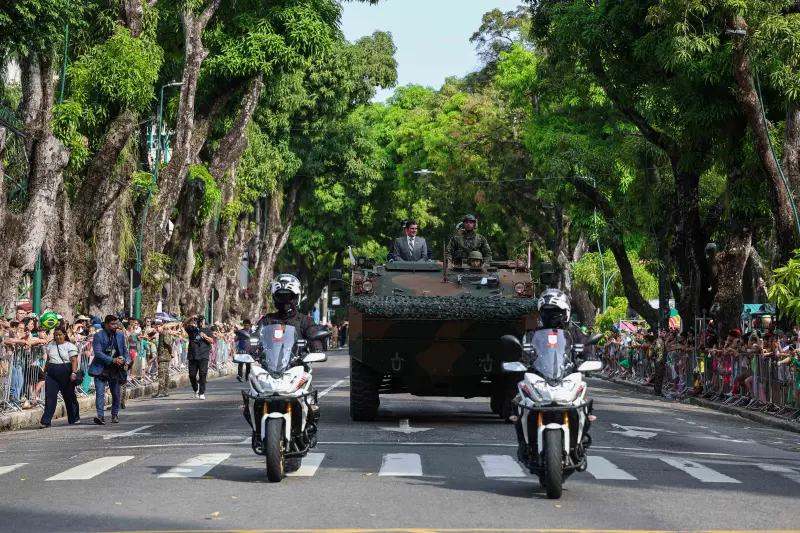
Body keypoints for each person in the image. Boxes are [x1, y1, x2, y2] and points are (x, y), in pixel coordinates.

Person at [257, 274, 324, 356]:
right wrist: (247, 350)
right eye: (280, 297)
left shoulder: (306, 321)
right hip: (269, 362)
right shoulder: (266, 320)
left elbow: (314, 338)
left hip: (297, 362)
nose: (284, 301)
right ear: (274, 298)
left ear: (296, 297)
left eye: (288, 297)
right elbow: (255, 336)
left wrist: (317, 349)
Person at [88, 315, 130, 425]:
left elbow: (124, 351)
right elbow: (98, 353)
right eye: (112, 324)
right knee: (100, 393)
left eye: (116, 324)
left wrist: (126, 360)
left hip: (115, 369)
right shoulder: (98, 336)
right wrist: (112, 360)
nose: (115, 326)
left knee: (116, 393)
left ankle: (114, 414)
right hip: (101, 368)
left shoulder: (120, 335)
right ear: (106, 325)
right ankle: (100, 416)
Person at [39, 328, 80, 428]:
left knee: (69, 396)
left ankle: (74, 417)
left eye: (60, 335)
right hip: (52, 373)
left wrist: (74, 373)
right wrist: (45, 371)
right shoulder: (51, 345)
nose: (58, 337)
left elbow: (74, 360)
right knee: (50, 397)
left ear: (64, 335)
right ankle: (46, 420)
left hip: (66, 373)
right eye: (56, 335)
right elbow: (48, 360)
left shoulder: (70, 346)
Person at [183, 314, 214, 399]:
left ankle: (202, 392)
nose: (200, 322)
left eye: (201, 320)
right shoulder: (192, 329)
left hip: (203, 355)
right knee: (192, 375)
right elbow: (184, 324)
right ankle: (196, 388)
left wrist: (204, 336)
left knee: (202, 374)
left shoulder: (208, 330)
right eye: (198, 320)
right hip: (193, 355)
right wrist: (191, 317)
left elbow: (212, 341)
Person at [151, 319, 180, 398]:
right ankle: (165, 391)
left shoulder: (164, 333)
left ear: (162, 326)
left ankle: (161, 391)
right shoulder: (162, 334)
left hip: (164, 356)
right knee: (165, 374)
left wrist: (171, 352)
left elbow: (168, 344)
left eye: (158, 327)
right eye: (156, 327)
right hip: (163, 356)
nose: (157, 328)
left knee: (162, 374)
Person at [237, 318, 254, 383]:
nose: (246, 326)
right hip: (241, 348)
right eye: (245, 325)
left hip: (249, 349)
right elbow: (236, 339)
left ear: (249, 325)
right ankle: (240, 376)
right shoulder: (241, 331)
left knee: (248, 363)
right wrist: (237, 337)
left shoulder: (252, 332)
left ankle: (247, 377)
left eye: (247, 325)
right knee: (240, 362)